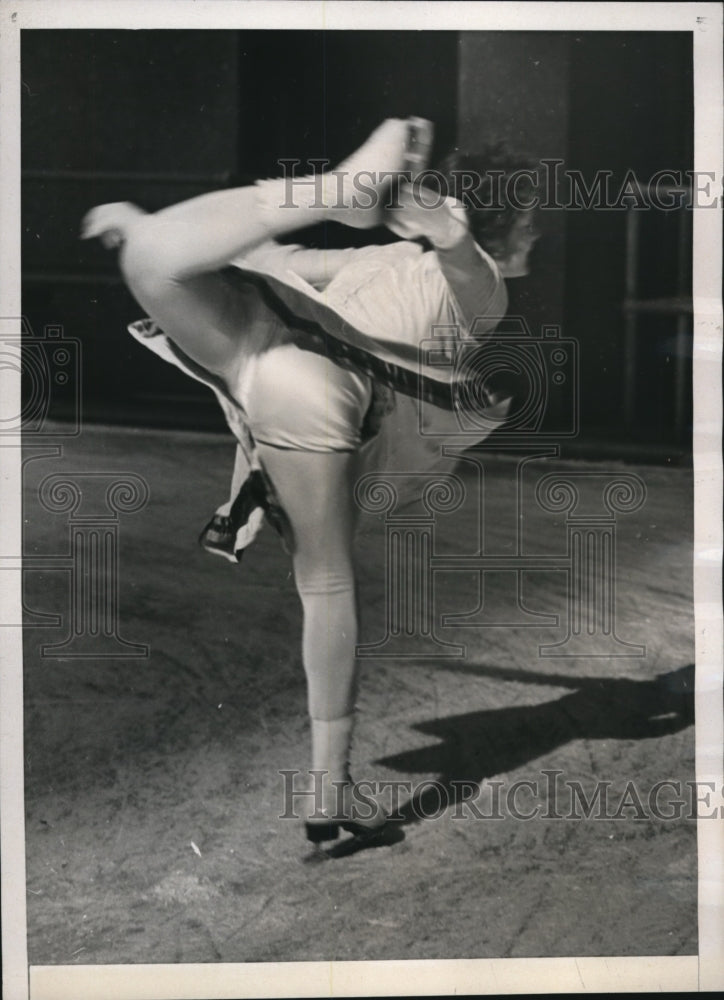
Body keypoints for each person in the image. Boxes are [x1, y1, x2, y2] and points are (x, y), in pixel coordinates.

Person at [81, 119, 540, 850]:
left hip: (278, 363)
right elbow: (291, 256)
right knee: (325, 582)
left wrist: (153, 224)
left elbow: (285, 254)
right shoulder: (457, 282)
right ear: (521, 232)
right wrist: (447, 236)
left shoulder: (437, 274)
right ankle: (329, 789)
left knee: (155, 259)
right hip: (302, 373)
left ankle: (285, 203)